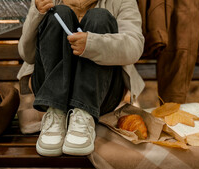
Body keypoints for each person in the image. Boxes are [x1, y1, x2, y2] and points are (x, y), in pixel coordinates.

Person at [17, 0, 145, 157]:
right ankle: (55, 116)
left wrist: (92, 44)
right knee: (60, 13)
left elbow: (134, 46)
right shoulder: (48, 0)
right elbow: (27, 55)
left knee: (100, 17)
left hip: (102, 94)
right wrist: (37, 14)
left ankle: (84, 116)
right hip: (49, 90)